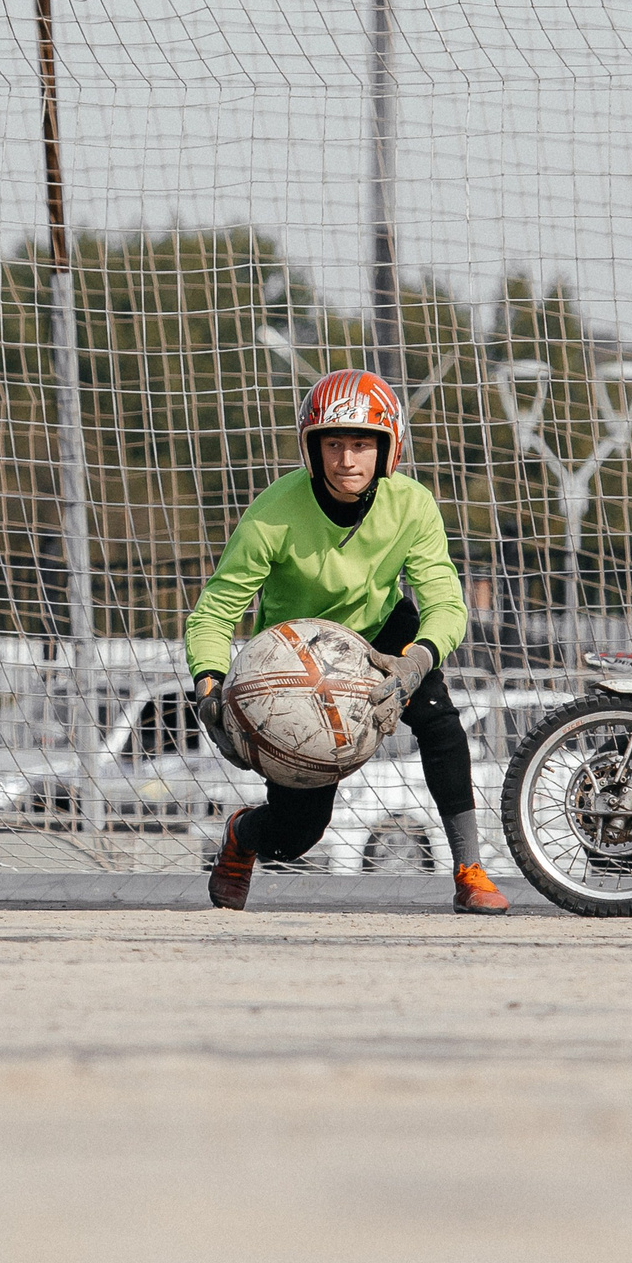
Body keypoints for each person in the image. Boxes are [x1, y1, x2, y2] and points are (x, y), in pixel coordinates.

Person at [187, 369, 505, 914]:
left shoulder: (412, 505)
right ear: (313, 449)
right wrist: (210, 685)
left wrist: (417, 661)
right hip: (296, 656)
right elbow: (214, 611)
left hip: (380, 631)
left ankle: (468, 869)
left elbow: (446, 605)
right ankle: (244, 834)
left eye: (362, 444)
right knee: (297, 835)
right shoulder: (272, 513)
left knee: (439, 718)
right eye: (334, 443)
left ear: (388, 448)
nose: (347, 459)